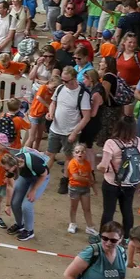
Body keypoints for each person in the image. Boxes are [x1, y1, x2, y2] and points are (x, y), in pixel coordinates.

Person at [101, 116, 140, 238]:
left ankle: (104, 236)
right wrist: (135, 170)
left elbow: (103, 166)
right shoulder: (138, 142)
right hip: (130, 183)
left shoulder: (111, 143)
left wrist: (101, 168)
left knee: (109, 211)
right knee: (127, 210)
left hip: (112, 182)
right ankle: (127, 238)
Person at [47, 66, 92, 195]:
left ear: (74, 79)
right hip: (55, 128)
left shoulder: (82, 94)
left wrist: (74, 132)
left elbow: (86, 116)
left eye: (66, 81)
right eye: (62, 80)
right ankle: (42, 176)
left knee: (68, 157)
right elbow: (53, 103)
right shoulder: (60, 88)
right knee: (50, 154)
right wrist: (51, 113)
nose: (64, 83)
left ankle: (65, 179)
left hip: (70, 131)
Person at [63, 221, 127, 279]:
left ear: (121, 239)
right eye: (105, 238)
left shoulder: (122, 252)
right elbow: (69, 275)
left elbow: (121, 277)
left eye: (113, 240)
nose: (108, 243)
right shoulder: (92, 252)